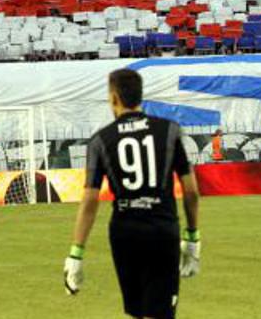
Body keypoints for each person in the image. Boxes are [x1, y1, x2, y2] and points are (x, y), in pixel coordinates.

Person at [64, 69, 200, 319]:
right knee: (159, 312)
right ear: (140, 95)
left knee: (139, 311)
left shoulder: (100, 140)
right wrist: (192, 237)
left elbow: (90, 200)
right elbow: (191, 191)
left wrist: (76, 254)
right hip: (162, 229)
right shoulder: (169, 130)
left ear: (114, 97)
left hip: (124, 233)